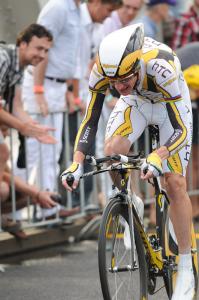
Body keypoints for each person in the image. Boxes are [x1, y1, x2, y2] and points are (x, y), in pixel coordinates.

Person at [61, 24, 195, 299]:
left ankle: (186, 266)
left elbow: (179, 128)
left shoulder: (161, 65)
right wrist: (76, 162)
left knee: (174, 182)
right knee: (113, 150)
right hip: (138, 102)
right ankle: (129, 198)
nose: (119, 86)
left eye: (125, 79)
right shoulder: (104, 71)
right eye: (114, 82)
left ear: (137, 66)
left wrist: (159, 155)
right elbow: (91, 118)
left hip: (171, 105)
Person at [16, 0, 82, 217]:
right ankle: (17, 211)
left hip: (56, 86)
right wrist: (38, 89)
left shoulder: (75, 9)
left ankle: (49, 207)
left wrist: (67, 90)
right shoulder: (59, 7)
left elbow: (63, 53)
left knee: (51, 152)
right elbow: (40, 46)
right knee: (32, 152)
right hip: (42, 85)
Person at [0, 23, 56, 196]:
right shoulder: (3, 58)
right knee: (3, 152)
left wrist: (33, 127)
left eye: (46, 51)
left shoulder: (20, 66)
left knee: (7, 186)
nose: (42, 55)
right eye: (39, 48)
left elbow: (16, 106)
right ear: (22, 44)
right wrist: (23, 128)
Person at [176, 42, 199, 221]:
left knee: (193, 161)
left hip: (191, 111)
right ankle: (192, 205)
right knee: (189, 162)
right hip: (186, 112)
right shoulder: (184, 54)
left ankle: (194, 205)